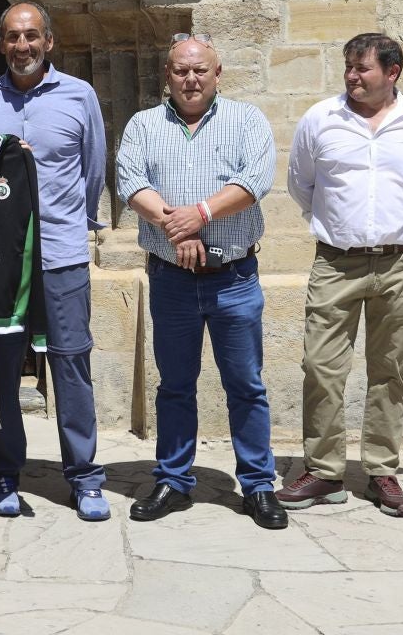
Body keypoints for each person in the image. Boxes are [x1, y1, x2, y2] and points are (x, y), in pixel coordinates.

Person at [281, 32, 403, 518]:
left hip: (401, 263)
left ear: (392, 72)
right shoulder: (321, 119)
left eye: (364, 69)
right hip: (336, 262)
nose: (353, 78)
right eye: (349, 69)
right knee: (321, 367)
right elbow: (302, 184)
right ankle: (324, 471)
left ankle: (381, 471)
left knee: (389, 371)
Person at [117, 34, 284, 530]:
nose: (190, 79)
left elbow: (255, 181)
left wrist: (200, 213)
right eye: (180, 71)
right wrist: (178, 226)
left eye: (200, 71)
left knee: (247, 386)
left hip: (232, 278)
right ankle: (173, 478)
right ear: (166, 75)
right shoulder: (143, 125)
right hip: (171, 280)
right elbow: (131, 183)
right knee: (174, 386)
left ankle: (257, 485)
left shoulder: (246, 120)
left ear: (217, 74)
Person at [0, 2, 110, 522]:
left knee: (71, 365)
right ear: (1, 43)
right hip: (0, 259)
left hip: (62, 253)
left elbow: (93, 172)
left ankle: (84, 477)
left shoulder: (80, 95)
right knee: (1, 369)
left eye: (31, 36)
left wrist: (72, 223)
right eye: (11, 37)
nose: (21, 46)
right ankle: (3, 472)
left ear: (48, 41)